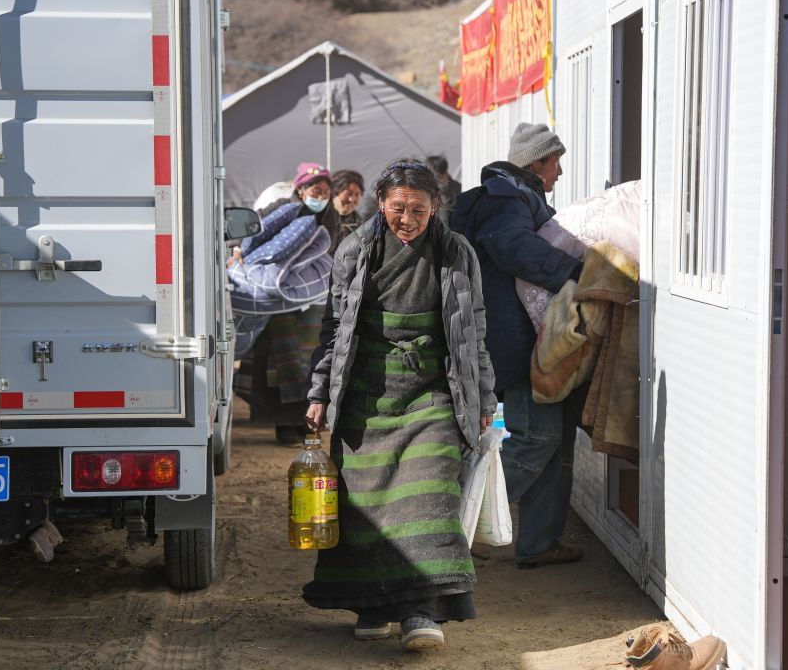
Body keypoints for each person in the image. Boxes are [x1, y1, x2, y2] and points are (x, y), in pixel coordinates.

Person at [304, 159, 496, 652]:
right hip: (366, 394)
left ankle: (421, 610)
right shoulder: (354, 250)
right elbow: (335, 330)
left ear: (435, 209)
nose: (407, 219)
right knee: (364, 505)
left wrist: (484, 400)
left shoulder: (456, 254)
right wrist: (320, 392)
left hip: (432, 391)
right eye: (397, 208)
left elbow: (473, 332)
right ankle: (372, 605)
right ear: (381, 205)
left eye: (418, 209)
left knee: (430, 490)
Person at [450, 122, 586, 569]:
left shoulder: (517, 195)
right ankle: (460, 530)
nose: (560, 171)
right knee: (537, 438)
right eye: (556, 161)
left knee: (554, 438)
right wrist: (576, 273)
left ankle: (538, 543)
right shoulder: (506, 197)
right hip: (515, 340)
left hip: (526, 336)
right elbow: (510, 246)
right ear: (537, 161)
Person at [247, 163, 334, 444]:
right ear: (301, 190)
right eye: (314, 190)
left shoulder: (329, 217)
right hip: (280, 299)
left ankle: (303, 422)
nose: (320, 196)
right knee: (284, 361)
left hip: (312, 297)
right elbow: (255, 234)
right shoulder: (282, 209)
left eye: (324, 191)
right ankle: (283, 424)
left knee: (310, 361)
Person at [325, 169, 365, 249]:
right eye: (348, 194)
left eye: (357, 195)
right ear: (334, 192)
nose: (351, 199)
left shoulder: (362, 226)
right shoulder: (320, 219)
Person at [426, 155, 460, 224]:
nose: (435, 181)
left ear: (445, 173)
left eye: (438, 177)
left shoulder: (458, 189)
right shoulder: (424, 190)